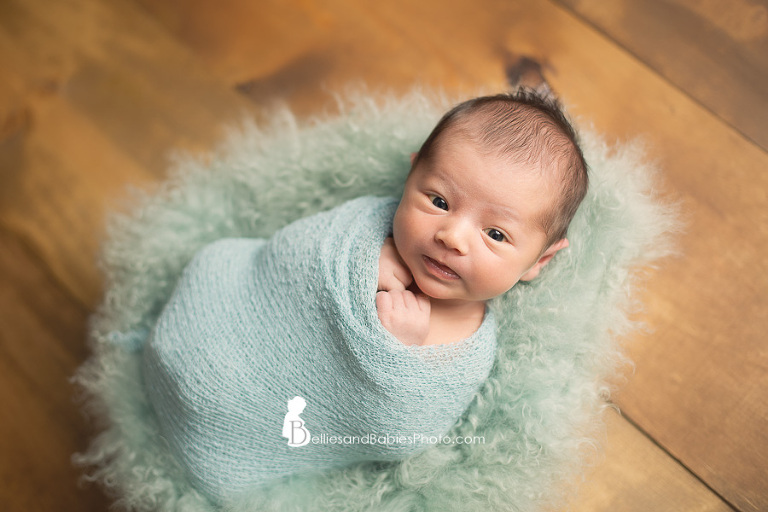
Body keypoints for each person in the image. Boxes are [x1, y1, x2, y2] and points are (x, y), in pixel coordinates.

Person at [376, 90, 588, 346]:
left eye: (495, 235)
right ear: (411, 177)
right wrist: (362, 265)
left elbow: (410, 386)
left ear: (539, 260)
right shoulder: (369, 229)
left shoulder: (467, 345)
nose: (452, 237)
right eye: (439, 202)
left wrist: (397, 348)